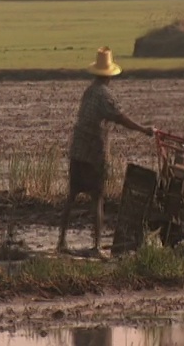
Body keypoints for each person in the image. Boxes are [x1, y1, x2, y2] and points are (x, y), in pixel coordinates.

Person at [57, 46, 154, 255]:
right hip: (94, 154)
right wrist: (144, 130)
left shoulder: (89, 91)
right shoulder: (105, 95)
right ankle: (97, 246)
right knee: (97, 199)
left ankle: (61, 242)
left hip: (78, 151)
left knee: (71, 197)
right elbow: (121, 118)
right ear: (110, 75)